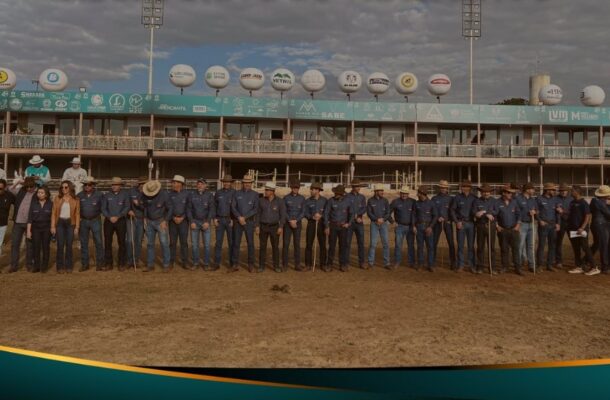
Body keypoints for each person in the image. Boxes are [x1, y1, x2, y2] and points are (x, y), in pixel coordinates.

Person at [230, 174, 259, 272]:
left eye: (249, 183)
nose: (247, 184)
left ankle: (250, 264)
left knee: (250, 244)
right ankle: (235, 264)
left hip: (249, 222)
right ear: (243, 183)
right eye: (245, 182)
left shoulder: (255, 194)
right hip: (238, 222)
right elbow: (233, 207)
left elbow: (255, 209)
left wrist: (245, 217)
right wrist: (239, 217)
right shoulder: (236, 193)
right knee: (236, 243)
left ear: (251, 184)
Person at [8, 176, 37, 272]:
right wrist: (18, 182)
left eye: (30, 187)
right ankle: (14, 265)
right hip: (18, 222)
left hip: (31, 223)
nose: (28, 189)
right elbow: (9, 190)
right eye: (27, 187)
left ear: (34, 185)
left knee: (30, 245)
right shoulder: (21, 190)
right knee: (15, 244)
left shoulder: (38, 192)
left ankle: (29, 264)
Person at [142, 180, 172, 272]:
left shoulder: (164, 195)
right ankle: (150, 264)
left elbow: (170, 208)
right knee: (150, 244)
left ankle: (166, 264)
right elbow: (146, 207)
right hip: (149, 221)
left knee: (164, 243)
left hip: (160, 221)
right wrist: (145, 217)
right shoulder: (145, 195)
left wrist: (165, 220)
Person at [256, 182, 286, 273]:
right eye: (265, 190)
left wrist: (281, 226)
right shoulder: (261, 200)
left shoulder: (280, 201)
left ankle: (276, 266)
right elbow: (258, 214)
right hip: (263, 226)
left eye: (268, 190)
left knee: (275, 247)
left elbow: (283, 215)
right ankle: (261, 266)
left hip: (274, 227)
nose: (266, 191)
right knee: (262, 246)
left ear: (273, 191)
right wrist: (257, 226)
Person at [51, 180, 80, 273]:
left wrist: (77, 227)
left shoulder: (76, 199)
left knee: (69, 245)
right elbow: (53, 213)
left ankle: (69, 266)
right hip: (60, 223)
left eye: (66, 187)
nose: (64, 189)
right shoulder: (57, 198)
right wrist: (53, 226)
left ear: (70, 188)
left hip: (70, 224)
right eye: (62, 187)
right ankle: (59, 267)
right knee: (60, 245)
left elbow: (77, 214)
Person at [567, 186, 596, 275]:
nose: (571, 192)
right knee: (576, 248)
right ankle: (579, 266)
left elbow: (587, 216)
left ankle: (594, 267)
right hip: (573, 229)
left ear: (577, 192)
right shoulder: (572, 202)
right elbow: (570, 214)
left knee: (585, 247)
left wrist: (582, 228)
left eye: (572, 191)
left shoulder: (584, 203)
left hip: (581, 229)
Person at [102, 177, 129, 271]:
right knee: (107, 242)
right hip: (108, 221)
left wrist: (118, 216)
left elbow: (126, 207)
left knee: (122, 242)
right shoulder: (106, 195)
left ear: (120, 186)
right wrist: (109, 217)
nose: (114, 186)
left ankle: (122, 263)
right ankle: (108, 263)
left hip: (120, 221)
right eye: (113, 184)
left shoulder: (125, 195)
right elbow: (103, 209)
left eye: (116, 184)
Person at [187, 178, 216, 270]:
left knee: (207, 245)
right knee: (195, 245)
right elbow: (188, 209)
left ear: (205, 186)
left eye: (202, 184)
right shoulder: (191, 195)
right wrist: (191, 221)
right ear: (196, 185)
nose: (200, 185)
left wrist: (208, 221)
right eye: (198, 184)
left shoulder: (209, 195)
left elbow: (211, 209)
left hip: (205, 222)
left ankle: (206, 263)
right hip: (195, 222)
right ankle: (195, 263)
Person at [324, 184, 354, 272]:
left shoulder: (348, 201)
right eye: (335, 192)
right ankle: (329, 264)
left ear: (342, 194)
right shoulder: (330, 201)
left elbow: (352, 214)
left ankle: (343, 264)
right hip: (333, 226)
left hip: (343, 227)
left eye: (337, 193)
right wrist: (326, 226)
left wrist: (349, 223)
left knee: (343, 246)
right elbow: (326, 214)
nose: (336, 194)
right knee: (331, 246)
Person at [78, 176, 105, 271]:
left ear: (93, 185)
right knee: (84, 242)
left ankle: (100, 264)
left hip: (95, 220)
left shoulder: (100, 195)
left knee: (98, 242)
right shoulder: (79, 195)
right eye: (85, 185)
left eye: (89, 185)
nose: (87, 186)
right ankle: (85, 264)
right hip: (83, 221)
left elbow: (103, 207)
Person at [496, 184, 523, 275]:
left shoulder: (514, 202)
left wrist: (518, 225)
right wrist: (497, 226)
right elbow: (494, 215)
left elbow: (519, 214)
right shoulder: (497, 203)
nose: (510, 194)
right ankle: (505, 267)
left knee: (516, 249)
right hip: (502, 230)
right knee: (504, 249)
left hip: (514, 230)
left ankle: (517, 268)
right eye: (508, 192)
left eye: (511, 193)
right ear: (503, 193)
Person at [450, 180, 477, 272]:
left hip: (471, 224)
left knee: (471, 246)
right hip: (461, 223)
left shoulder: (474, 198)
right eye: (463, 186)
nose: (465, 188)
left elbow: (476, 210)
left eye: (467, 186)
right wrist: (457, 221)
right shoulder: (457, 197)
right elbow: (452, 210)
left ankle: (471, 265)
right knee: (460, 246)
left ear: (470, 188)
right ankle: (460, 265)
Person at [26, 186, 53, 273]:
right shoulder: (33, 204)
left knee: (45, 247)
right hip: (35, 228)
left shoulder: (51, 204)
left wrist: (53, 228)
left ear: (46, 194)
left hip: (46, 228)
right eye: (38, 192)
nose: (40, 194)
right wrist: (28, 231)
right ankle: (36, 266)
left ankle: (44, 266)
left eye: (42, 193)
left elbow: (53, 217)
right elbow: (30, 218)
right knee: (36, 247)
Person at [473, 184, 498, 274]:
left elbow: (497, 211)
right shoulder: (477, 201)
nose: (486, 193)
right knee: (480, 247)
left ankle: (492, 267)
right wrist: (477, 213)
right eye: (484, 192)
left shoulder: (494, 201)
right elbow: (474, 211)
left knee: (491, 247)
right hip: (480, 226)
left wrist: (488, 213)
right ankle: (480, 267)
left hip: (491, 226)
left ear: (490, 192)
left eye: (487, 192)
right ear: (481, 192)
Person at [536, 183, 561, 272]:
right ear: (547, 190)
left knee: (552, 245)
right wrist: (539, 220)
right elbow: (536, 211)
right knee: (542, 245)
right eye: (553, 190)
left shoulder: (555, 199)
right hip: (543, 225)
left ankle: (549, 264)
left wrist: (558, 223)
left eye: (554, 190)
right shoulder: (539, 199)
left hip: (553, 225)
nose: (554, 191)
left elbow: (557, 212)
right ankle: (539, 265)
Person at [390, 185, 416, 269]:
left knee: (411, 245)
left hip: (410, 227)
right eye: (402, 193)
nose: (404, 195)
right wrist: (392, 222)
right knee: (398, 245)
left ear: (408, 194)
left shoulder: (413, 202)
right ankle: (397, 262)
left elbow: (416, 214)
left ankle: (411, 262)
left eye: (406, 193)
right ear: (400, 193)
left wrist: (414, 225)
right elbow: (388, 213)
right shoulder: (395, 202)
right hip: (399, 226)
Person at [213, 174, 235, 270]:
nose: (226, 183)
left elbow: (236, 207)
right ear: (223, 182)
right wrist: (214, 218)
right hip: (220, 220)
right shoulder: (218, 193)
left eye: (228, 182)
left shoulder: (235, 193)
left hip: (230, 220)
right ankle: (216, 263)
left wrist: (233, 219)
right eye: (225, 181)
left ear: (231, 183)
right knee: (218, 243)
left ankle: (232, 263)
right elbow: (214, 206)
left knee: (231, 242)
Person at [168, 175, 190, 269]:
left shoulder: (187, 194)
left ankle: (184, 262)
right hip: (172, 221)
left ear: (180, 184)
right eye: (173, 182)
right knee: (172, 242)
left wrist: (183, 217)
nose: (173, 184)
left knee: (184, 242)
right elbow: (167, 208)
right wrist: (173, 217)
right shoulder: (169, 194)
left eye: (175, 182)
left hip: (184, 221)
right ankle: (171, 261)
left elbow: (189, 208)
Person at [431, 180, 455, 269]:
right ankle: (432, 261)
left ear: (447, 188)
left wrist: (450, 219)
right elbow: (433, 211)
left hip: (447, 223)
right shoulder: (434, 198)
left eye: (444, 187)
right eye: (441, 187)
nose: (443, 189)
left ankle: (453, 262)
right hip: (437, 223)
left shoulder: (451, 198)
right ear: (439, 188)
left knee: (451, 243)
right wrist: (437, 218)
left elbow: (453, 211)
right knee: (434, 242)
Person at [366, 184, 391, 269]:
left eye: (382, 191)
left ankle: (386, 263)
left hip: (384, 224)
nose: (382, 192)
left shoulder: (385, 201)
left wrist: (383, 219)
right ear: (376, 192)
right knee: (373, 244)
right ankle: (370, 262)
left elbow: (388, 212)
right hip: (374, 224)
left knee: (386, 243)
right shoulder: (370, 201)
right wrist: (376, 219)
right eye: (380, 191)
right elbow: (369, 213)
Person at [304, 181, 327, 271]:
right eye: (311, 189)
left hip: (321, 224)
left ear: (318, 190)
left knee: (322, 245)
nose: (311, 191)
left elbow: (327, 212)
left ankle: (323, 264)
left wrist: (321, 215)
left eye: (313, 189)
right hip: (311, 224)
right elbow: (305, 212)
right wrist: (312, 217)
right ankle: (308, 264)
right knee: (309, 244)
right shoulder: (307, 201)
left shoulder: (325, 200)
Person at [282, 179, 305, 271]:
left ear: (299, 188)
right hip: (288, 224)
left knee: (297, 244)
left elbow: (303, 212)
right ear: (291, 188)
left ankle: (297, 264)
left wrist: (296, 220)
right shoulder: (286, 198)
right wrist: (290, 220)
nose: (295, 189)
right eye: (294, 187)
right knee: (286, 244)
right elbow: (284, 211)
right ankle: (285, 265)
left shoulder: (302, 198)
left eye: (297, 187)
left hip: (297, 224)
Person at [414, 187, 437, 272]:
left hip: (428, 227)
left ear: (422, 194)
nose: (418, 194)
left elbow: (435, 216)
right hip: (419, 226)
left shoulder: (431, 203)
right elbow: (414, 215)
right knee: (420, 246)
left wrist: (431, 227)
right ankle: (420, 264)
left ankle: (430, 265)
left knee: (430, 247)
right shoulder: (416, 203)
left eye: (418, 193)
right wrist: (413, 226)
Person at [516, 182, 538, 272]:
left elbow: (537, 209)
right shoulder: (518, 199)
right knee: (520, 245)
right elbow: (516, 211)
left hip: (532, 224)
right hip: (522, 224)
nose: (533, 191)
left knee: (531, 245)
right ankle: (520, 264)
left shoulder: (533, 200)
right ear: (527, 190)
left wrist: (535, 212)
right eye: (532, 189)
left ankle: (531, 265)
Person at [126, 176, 147, 268]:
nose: (143, 185)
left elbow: (147, 208)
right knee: (130, 240)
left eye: (144, 183)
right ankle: (129, 260)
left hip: (141, 219)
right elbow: (126, 203)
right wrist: (129, 210)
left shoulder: (149, 193)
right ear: (139, 184)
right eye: (141, 183)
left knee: (138, 241)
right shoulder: (131, 191)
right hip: (131, 219)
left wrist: (139, 204)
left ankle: (136, 260)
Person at [346, 178, 367, 268]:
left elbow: (364, 208)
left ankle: (361, 262)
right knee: (347, 243)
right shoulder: (347, 196)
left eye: (359, 186)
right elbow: (345, 208)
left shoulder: (362, 197)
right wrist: (352, 216)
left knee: (361, 243)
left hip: (359, 222)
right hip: (349, 223)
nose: (359, 188)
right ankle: (346, 262)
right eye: (357, 186)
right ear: (353, 187)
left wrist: (358, 215)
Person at [590, 185, 610, 274]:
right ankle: (605, 267)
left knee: (598, 244)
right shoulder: (599, 202)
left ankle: (586, 260)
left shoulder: (597, 201)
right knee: (603, 245)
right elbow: (608, 214)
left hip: (600, 224)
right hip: (600, 225)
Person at [555, 183, 573, 269]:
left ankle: (578, 261)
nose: (563, 192)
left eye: (565, 190)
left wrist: (563, 211)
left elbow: (573, 212)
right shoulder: (555, 199)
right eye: (561, 190)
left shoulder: (571, 199)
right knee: (558, 242)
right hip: (560, 223)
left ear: (567, 191)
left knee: (574, 242)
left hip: (570, 223)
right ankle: (558, 261)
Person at [0, 179, 15, 258]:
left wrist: (15, 216)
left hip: (2, 224)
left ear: (5, 187)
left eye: (0, 189)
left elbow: (18, 204)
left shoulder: (9, 196)